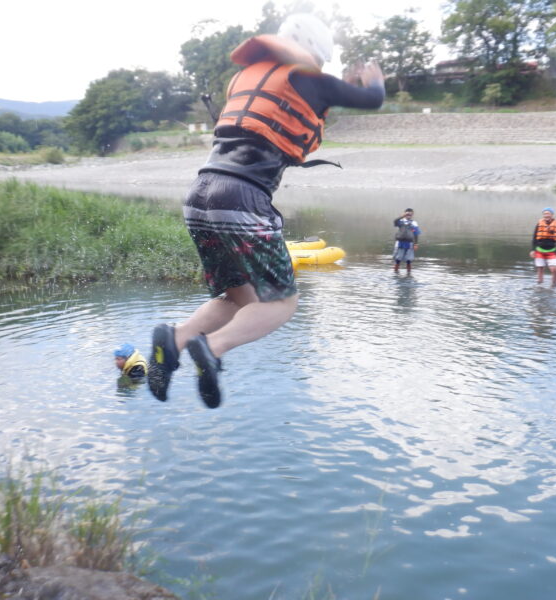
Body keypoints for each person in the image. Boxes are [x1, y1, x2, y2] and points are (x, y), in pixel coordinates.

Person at [148, 13, 385, 408]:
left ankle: (176, 339)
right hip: (241, 198)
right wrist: (373, 78)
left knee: (240, 297)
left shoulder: (242, 78)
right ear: (315, 52)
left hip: (199, 194)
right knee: (282, 303)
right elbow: (374, 99)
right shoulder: (311, 80)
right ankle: (213, 348)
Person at [529, 207, 556, 287]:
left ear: (552, 215)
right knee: (540, 269)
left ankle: (554, 284)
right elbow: (534, 237)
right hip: (539, 250)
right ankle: (540, 284)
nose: (546, 215)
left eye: (548, 213)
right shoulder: (539, 223)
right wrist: (532, 250)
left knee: (554, 269)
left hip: (551, 250)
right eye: (545, 214)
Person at [393, 208, 421, 273]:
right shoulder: (400, 221)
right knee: (398, 259)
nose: (408, 215)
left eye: (410, 214)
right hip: (400, 243)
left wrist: (416, 244)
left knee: (409, 260)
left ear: (412, 215)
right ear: (405, 213)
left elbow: (416, 234)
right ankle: (395, 273)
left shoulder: (414, 223)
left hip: (410, 243)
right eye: (407, 213)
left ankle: (409, 274)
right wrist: (402, 216)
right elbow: (395, 221)